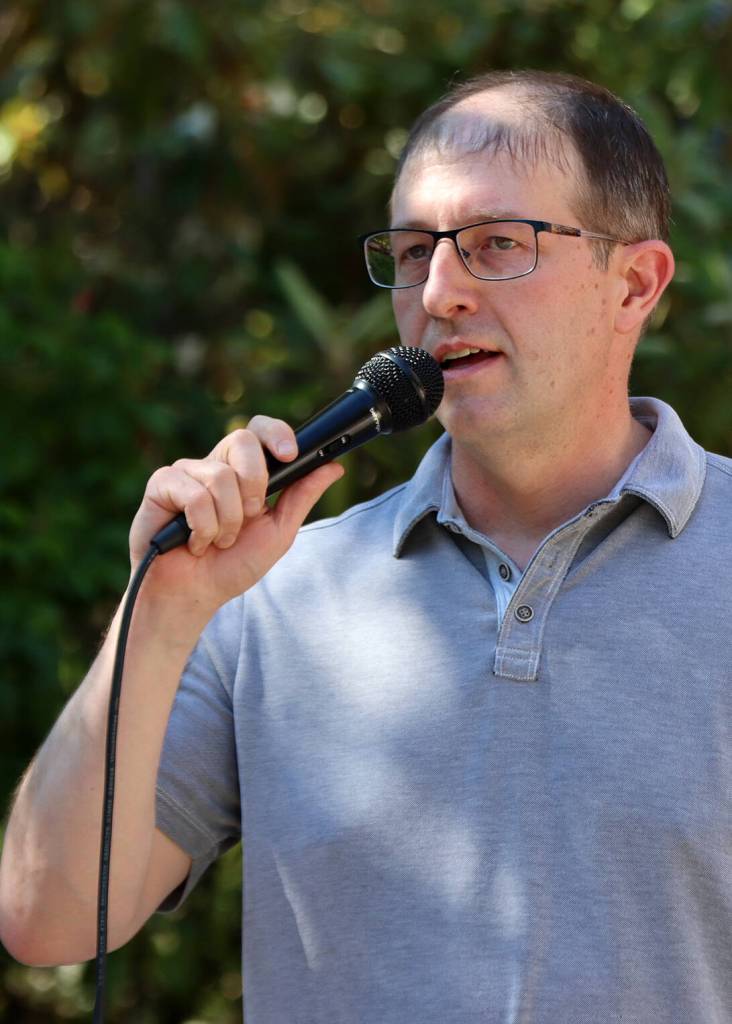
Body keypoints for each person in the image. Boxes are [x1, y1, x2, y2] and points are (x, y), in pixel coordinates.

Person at [1, 69, 730, 1023]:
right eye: (415, 250)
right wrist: (168, 612)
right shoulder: (273, 595)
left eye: (497, 245)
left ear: (634, 282)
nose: (439, 291)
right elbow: (46, 920)